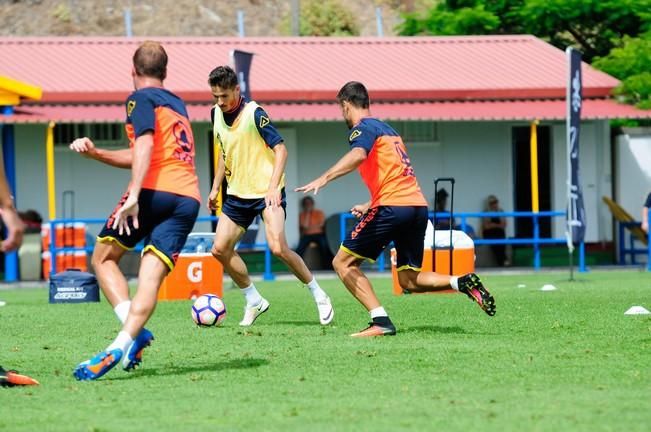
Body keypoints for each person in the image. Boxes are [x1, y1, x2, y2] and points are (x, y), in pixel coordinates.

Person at [296, 81, 495, 337]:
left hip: (392, 207)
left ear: (346, 105)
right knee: (408, 280)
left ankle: (380, 321)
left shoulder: (362, 128)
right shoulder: (389, 130)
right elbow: (397, 175)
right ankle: (460, 281)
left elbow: (358, 155)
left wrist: (324, 178)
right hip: (416, 208)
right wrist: (370, 203)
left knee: (342, 263)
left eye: (340, 108)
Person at [69, 41, 201, 380]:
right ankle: (124, 341)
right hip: (187, 199)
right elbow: (149, 150)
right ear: (165, 73)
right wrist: (97, 153)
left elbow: (143, 144)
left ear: (133, 71)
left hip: (154, 192)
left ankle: (128, 337)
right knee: (149, 277)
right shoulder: (177, 103)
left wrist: (135, 194)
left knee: (102, 258)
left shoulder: (139, 98)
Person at [206, 65, 333, 326]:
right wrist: (215, 187)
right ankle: (253, 299)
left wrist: (274, 187)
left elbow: (281, 150)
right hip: (237, 194)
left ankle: (319, 294)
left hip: (266, 192)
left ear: (236, 90)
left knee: (278, 248)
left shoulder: (255, 113)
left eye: (224, 96)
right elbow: (223, 152)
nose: (220, 102)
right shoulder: (215, 114)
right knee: (219, 249)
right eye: (215, 96)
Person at [295, 196, 331, 266]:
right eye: (306, 204)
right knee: (299, 249)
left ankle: (327, 266)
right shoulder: (302, 215)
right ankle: (298, 266)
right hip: (307, 235)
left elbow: (321, 225)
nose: (308, 205)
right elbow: (305, 227)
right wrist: (308, 213)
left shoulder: (319, 213)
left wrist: (310, 227)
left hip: (319, 234)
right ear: (304, 205)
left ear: (313, 204)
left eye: (310, 203)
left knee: (325, 247)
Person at [482, 194, 508, 266]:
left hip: (499, 233)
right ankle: (503, 261)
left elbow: (504, 225)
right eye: (492, 203)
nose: (494, 204)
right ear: (489, 204)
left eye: (495, 202)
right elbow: (486, 227)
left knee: (500, 239)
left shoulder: (501, 211)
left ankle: (502, 261)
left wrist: (493, 225)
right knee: (495, 241)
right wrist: (497, 225)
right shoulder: (486, 212)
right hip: (489, 233)